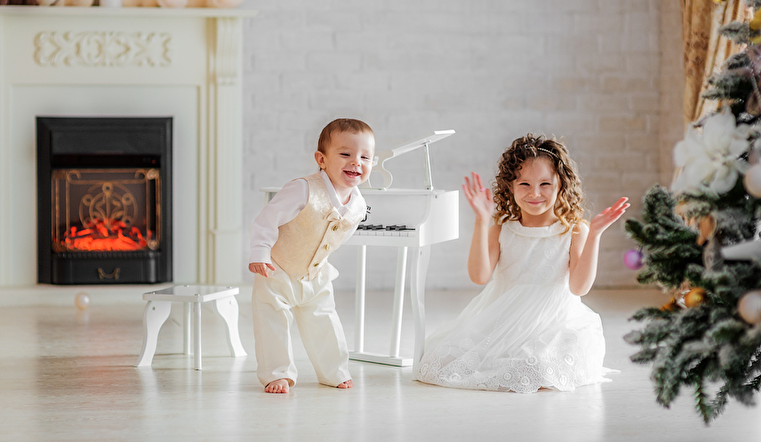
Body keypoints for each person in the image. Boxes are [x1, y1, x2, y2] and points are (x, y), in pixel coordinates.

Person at [415, 134, 629, 393]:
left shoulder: (574, 231)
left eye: (545, 184)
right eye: (524, 184)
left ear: (561, 184)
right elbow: (479, 276)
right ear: (510, 186)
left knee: (535, 366)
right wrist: (482, 220)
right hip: (503, 318)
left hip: (554, 321)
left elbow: (579, 287)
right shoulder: (501, 230)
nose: (535, 193)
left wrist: (594, 234)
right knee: (440, 362)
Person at [249, 118, 375, 394]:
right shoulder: (303, 188)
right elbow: (267, 219)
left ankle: (334, 371)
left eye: (365, 157)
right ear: (322, 159)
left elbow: (338, 236)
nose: (356, 162)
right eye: (345, 154)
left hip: (316, 273)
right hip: (277, 270)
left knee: (325, 320)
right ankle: (277, 374)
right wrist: (260, 252)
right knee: (272, 321)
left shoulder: (359, 204)